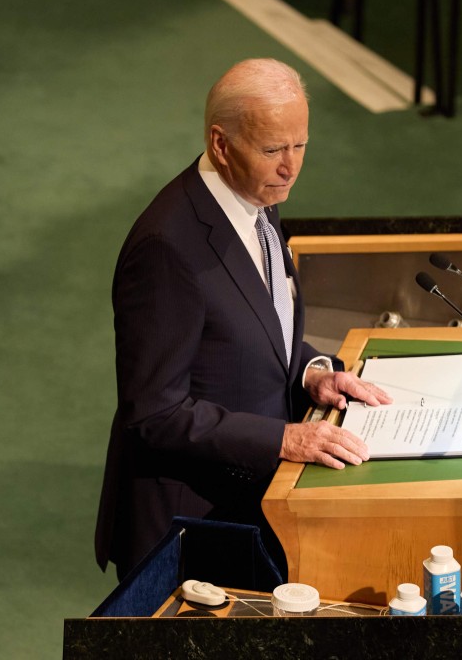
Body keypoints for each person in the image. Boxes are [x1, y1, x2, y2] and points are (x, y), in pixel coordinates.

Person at [94, 58, 390, 579]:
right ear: (221, 144)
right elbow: (154, 414)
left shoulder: (256, 196)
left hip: (252, 506)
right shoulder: (167, 247)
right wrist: (285, 439)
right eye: (274, 149)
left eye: (300, 145)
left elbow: (252, 326)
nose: (290, 166)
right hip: (189, 533)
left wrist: (310, 374)